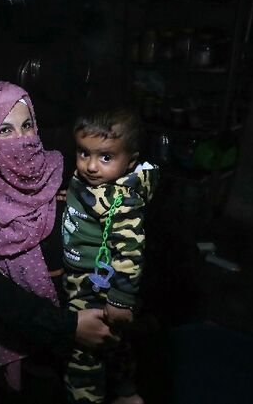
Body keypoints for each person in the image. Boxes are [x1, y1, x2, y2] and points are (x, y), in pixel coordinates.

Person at [0, 81, 114, 401]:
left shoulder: (62, 172)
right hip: (28, 335)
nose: (22, 140)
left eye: (27, 125)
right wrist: (68, 326)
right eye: (4, 130)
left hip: (91, 319)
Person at [60, 107, 159, 404]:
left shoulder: (123, 201)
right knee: (115, 343)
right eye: (83, 152)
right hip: (81, 278)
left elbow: (131, 252)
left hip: (94, 288)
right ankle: (127, 393)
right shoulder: (88, 181)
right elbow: (89, 197)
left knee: (83, 355)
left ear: (130, 161)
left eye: (105, 157)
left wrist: (120, 299)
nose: (90, 166)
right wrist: (71, 199)